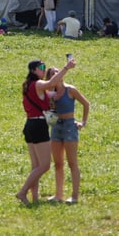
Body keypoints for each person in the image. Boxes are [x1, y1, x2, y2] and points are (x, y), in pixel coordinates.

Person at [15, 57, 75, 205]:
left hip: (29, 125)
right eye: (41, 68)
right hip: (38, 126)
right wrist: (66, 68)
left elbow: (53, 93)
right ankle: (22, 192)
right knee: (44, 165)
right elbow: (51, 84)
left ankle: (34, 198)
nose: (43, 70)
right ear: (33, 70)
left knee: (35, 166)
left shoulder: (28, 85)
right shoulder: (39, 83)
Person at [45, 67, 90, 203]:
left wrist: (83, 122)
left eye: (57, 72)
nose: (56, 75)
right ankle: (58, 195)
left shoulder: (70, 90)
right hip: (56, 127)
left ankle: (74, 196)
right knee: (58, 163)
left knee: (72, 163)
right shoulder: (49, 94)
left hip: (69, 127)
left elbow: (86, 104)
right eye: (52, 74)